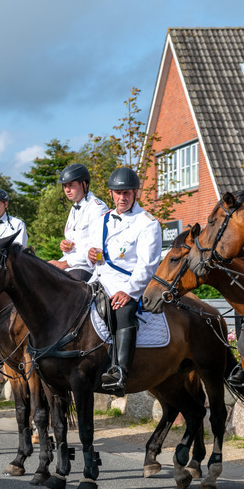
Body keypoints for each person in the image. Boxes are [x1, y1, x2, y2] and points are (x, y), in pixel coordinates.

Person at [87, 167, 162, 396]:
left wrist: (129, 292)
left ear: (135, 193)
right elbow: (94, 255)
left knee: (122, 311)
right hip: (97, 280)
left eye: (127, 193)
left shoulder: (147, 223)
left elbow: (147, 264)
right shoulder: (100, 221)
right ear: (111, 194)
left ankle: (119, 371)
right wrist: (90, 255)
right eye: (118, 193)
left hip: (125, 285)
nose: (122, 197)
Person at [49, 163, 109, 281]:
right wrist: (65, 245)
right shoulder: (74, 207)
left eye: (71, 185)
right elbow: (76, 239)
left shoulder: (97, 207)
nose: (67, 190)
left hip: (85, 267)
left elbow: (96, 248)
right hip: (68, 263)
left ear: (84, 184)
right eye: (65, 186)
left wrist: (64, 264)